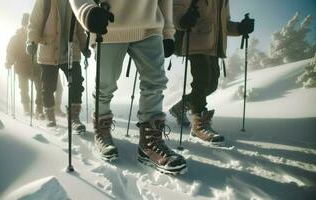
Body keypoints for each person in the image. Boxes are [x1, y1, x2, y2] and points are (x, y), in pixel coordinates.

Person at [70, 0, 187, 174]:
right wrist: (86, 11)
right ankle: (101, 131)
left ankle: (149, 143)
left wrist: (168, 32)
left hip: (150, 25)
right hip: (107, 24)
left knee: (155, 83)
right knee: (105, 86)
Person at [172, 0, 255, 144]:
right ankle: (198, 125)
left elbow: (225, 24)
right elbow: (177, 7)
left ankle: (180, 107)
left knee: (211, 85)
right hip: (196, 40)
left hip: (214, 47)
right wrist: (182, 20)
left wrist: (240, 28)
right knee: (202, 81)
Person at [27, 0, 87, 132]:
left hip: (71, 52)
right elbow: (34, 23)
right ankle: (50, 116)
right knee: (48, 87)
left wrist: (84, 46)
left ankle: (74, 118)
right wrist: (32, 42)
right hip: (48, 50)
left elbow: (80, 27)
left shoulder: (75, 1)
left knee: (76, 83)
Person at [5, 13, 45, 120]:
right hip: (21, 67)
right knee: (23, 89)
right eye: (26, 24)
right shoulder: (16, 38)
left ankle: (39, 110)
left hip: (36, 67)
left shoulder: (37, 36)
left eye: (29, 23)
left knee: (40, 89)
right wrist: (9, 61)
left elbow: (43, 49)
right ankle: (26, 108)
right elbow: (10, 52)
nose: (27, 26)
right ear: (23, 24)